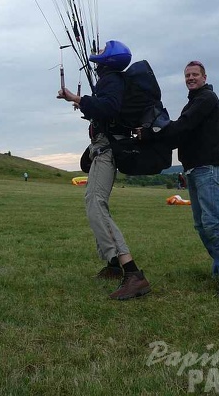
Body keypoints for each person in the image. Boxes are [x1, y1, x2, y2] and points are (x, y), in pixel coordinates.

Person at [57, 40, 150, 301]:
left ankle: (132, 273)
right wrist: (86, 106)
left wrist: (76, 97)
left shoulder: (110, 80)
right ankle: (112, 264)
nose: (96, 53)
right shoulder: (111, 79)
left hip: (106, 150)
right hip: (104, 147)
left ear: (109, 58)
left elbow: (109, 107)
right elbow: (109, 111)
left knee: (96, 204)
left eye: (101, 51)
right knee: (94, 202)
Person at [160, 60, 219, 298]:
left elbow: (182, 127)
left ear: (204, 77)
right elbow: (180, 134)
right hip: (194, 170)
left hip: (207, 168)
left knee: (214, 224)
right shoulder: (194, 102)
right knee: (202, 225)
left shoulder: (206, 99)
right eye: (187, 75)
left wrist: (157, 129)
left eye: (195, 74)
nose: (190, 78)